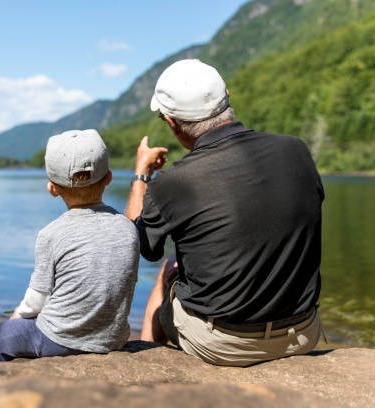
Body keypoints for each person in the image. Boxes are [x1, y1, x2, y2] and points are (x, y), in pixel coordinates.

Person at [124, 59, 324, 367]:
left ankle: (146, 372)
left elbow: (137, 246)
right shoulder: (296, 150)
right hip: (302, 334)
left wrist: (141, 175)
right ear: (227, 96)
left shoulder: (174, 181)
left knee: (166, 272)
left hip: (223, 345)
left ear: (172, 122)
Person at [0, 129, 139, 364]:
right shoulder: (128, 229)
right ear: (108, 178)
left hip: (59, 340)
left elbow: (37, 300)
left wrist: (17, 317)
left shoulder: (51, 234)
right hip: (112, 339)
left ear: (52, 188)